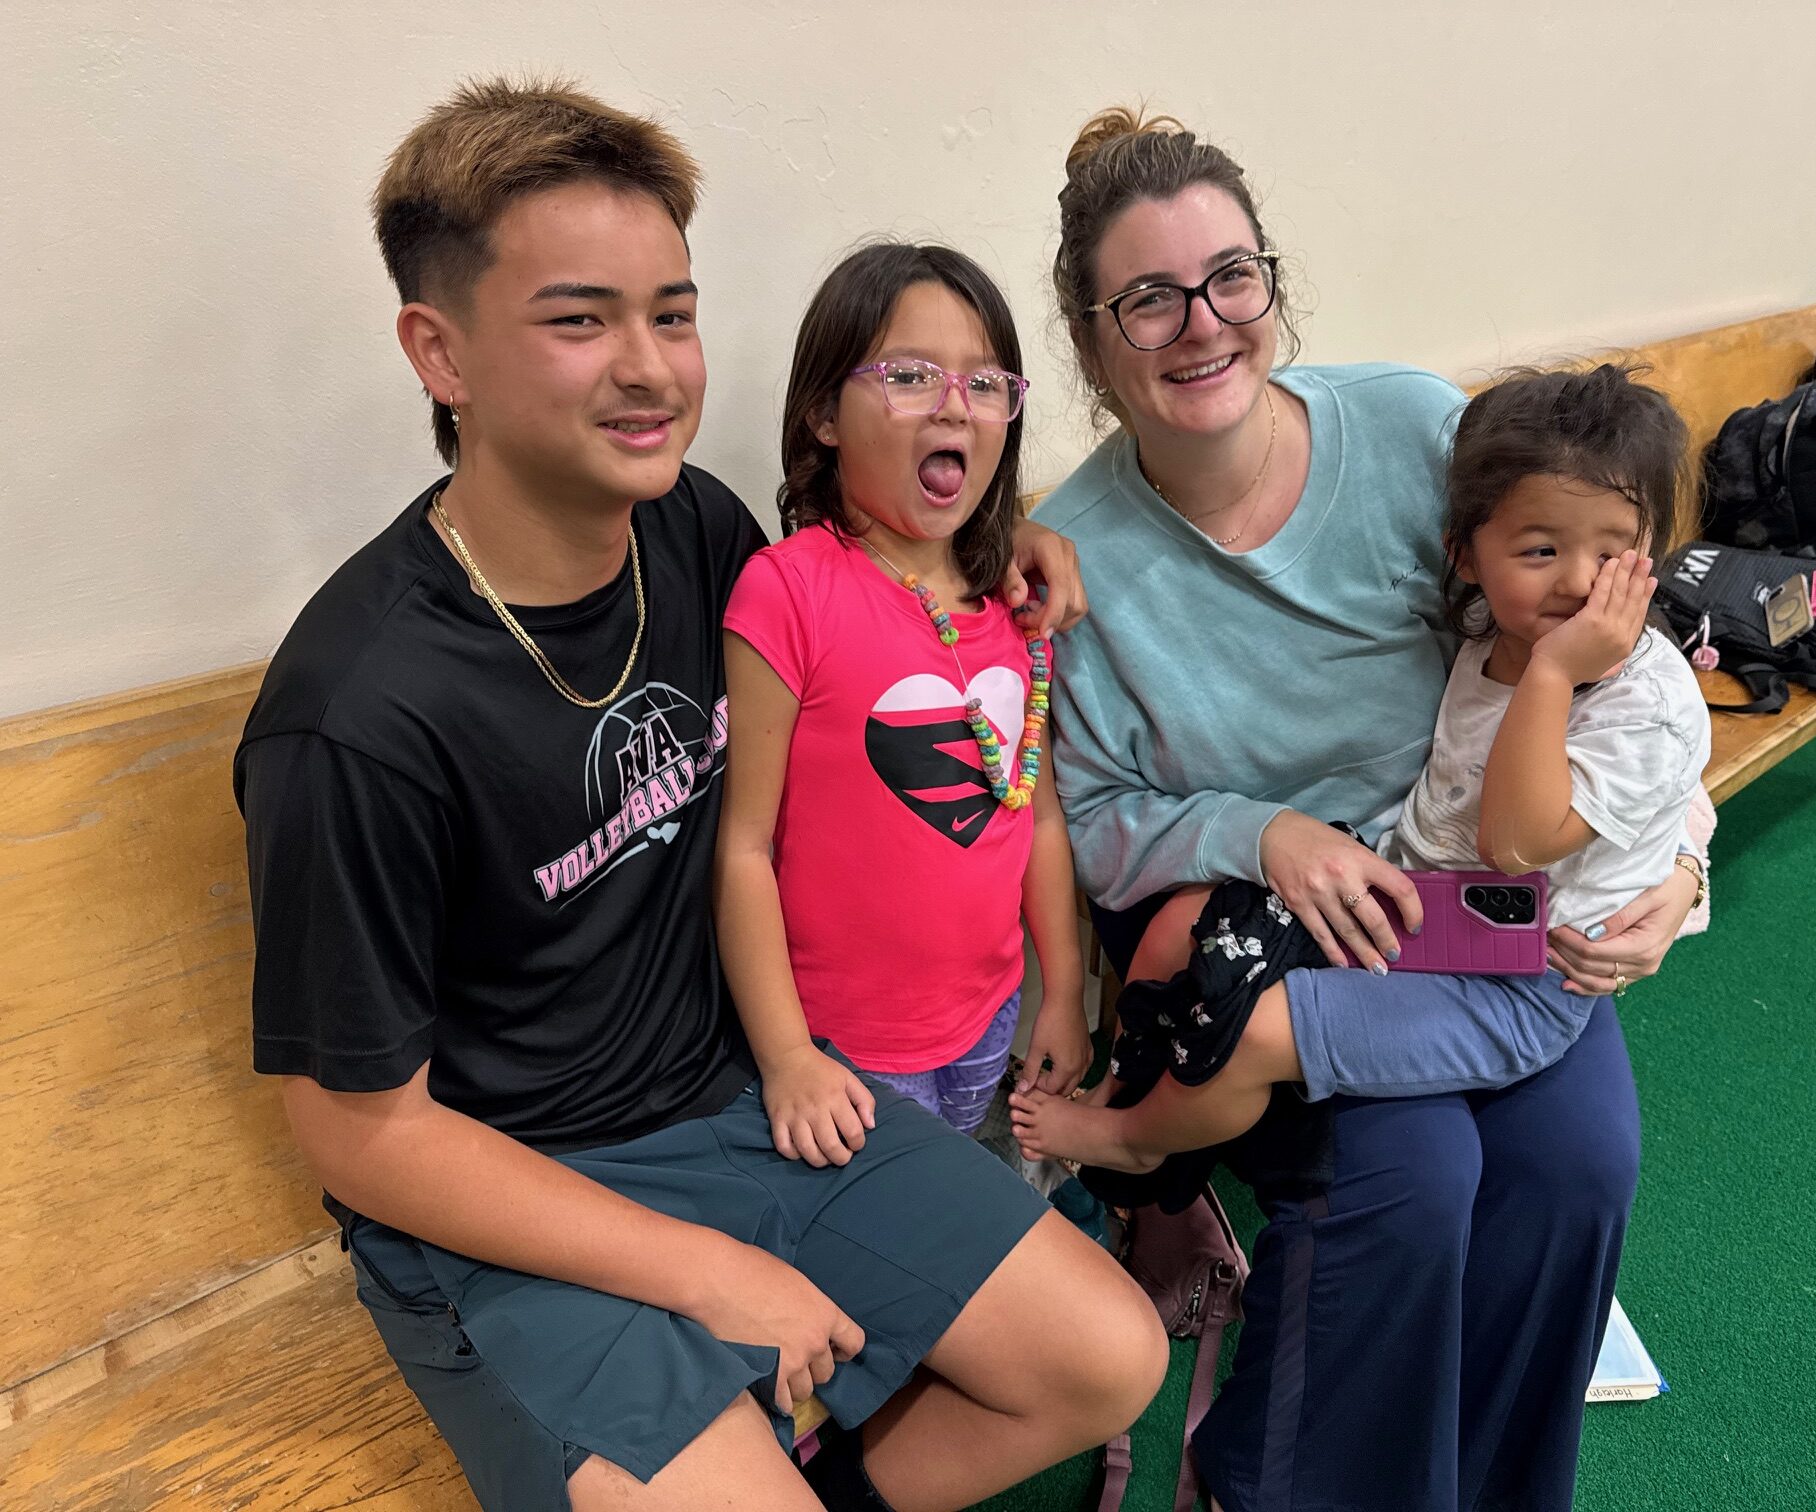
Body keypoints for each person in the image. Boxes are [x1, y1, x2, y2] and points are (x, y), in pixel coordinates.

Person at [234, 80, 1162, 1512]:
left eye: (671, 313)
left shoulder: (690, 530)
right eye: (578, 318)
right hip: (509, 1205)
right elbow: (362, 1130)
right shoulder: (357, 715)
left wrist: (1001, 535)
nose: (650, 366)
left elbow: (866, 580)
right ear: (440, 352)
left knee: (1108, 1354)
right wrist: (714, 1272)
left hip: (734, 1104)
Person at [1037, 108, 1709, 1512]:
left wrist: (1685, 869)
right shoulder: (1079, 553)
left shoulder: (1412, 429)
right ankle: (1269, 1478)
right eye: (1146, 299)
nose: (1200, 324)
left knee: (1581, 1166)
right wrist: (1266, 832)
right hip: (1272, 926)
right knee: (1412, 1184)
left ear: (1271, 285)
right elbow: (1087, 815)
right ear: (1094, 342)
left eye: (1232, 276)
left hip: (1481, 900)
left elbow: (1605, 670)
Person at [1011, 365, 1709, 1175]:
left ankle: (1133, 1147)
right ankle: (1134, 1092)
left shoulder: (1591, 668)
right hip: (1426, 900)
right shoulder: (1490, 627)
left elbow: (1527, 837)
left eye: (1613, 555)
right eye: (1543, 550)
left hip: (1519, 976)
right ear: (1465, 556)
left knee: (1250, 1036)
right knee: (1180, 935)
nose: (1581, 584)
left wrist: (1687, 869)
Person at [717, 242, 1092, 1157]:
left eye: (986, 381)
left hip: (988, 1022)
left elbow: (1034, 816)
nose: (956, 403)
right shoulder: (787, 592)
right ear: (823, 415)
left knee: (969, 1194)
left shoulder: (1009, 596)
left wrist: (1069, 992)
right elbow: (745, 847)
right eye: (912, 375)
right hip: (844, 1056)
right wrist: (787, 1058)